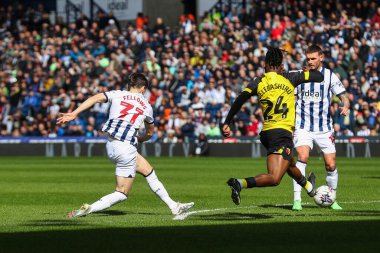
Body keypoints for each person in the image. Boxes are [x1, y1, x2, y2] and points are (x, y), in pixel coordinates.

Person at [58, 73, 193, 217]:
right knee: (122, 192)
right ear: (143, 88)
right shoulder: (146, 105)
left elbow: (95, 98)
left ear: (129, 85)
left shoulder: (117, 94)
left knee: (149, 171)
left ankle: (173, 206)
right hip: (126, 148)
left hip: (111, 144)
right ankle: (90, 208)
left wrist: (74, 113)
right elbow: (149, 133)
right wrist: (140, 139)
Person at [222, 47, 324, 205]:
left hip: (267, 134)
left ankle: (310, 187)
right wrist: (307, 70)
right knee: (275, 178)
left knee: (289, 163)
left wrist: (227, 122)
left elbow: (240, 99)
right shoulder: (289, 77)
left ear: (265, 64)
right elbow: (319, 76)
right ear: (281, 64)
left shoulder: (259, 81)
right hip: (282, 133)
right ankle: (239, 183)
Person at [291, 45, 349, 211]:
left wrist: (345, 105)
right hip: (303, 127)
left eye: (313, 58)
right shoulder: (298, 76)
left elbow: (343, 96)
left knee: (330, 165)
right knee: (302, 156)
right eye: (308, 58)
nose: (310, 62)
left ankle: (332, 199)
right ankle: (297, 200)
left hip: (324, 128)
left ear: (321, 57)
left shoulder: (329, 75)